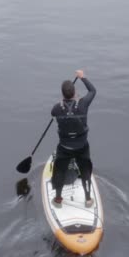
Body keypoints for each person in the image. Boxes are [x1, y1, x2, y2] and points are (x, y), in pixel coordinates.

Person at [51, 69, 96, 208]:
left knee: (59, 171)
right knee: (86, 171)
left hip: (64, 148)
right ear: (75, 92)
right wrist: (82, 77)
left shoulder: (57, 108)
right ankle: (88, 200)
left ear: (62, 93)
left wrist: (62, 103)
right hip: (82, 147)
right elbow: (93, 91)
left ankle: (58, 200)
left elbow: (53, 113)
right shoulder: (83, 104)